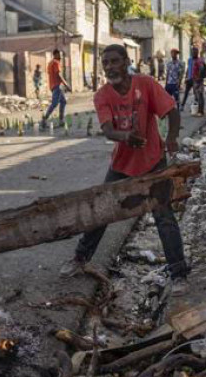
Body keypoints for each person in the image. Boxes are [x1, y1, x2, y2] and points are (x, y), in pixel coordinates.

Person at [59, 44, 189, 292]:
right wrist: (126, 137)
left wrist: (171, 139)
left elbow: (172, 111)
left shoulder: (146, 84)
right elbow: (108, 131)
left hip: (153, 160)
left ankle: (179, 272)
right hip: (122, 164)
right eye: (105, 63)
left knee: (163, 216)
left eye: (115, 61)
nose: (109, 67)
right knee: (102, 211)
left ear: (127, 61)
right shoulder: (102, 95)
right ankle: (80, 259)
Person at [42, 49, 71, 126]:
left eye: (60, 54)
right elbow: (58, 75)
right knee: (55, 103)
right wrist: (66, 84)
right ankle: (44, 119)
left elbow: (51, 74)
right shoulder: (56, 63)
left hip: (53, 85)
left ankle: (61, 120)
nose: (60, 56)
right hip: (57, 86)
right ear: (55, 55)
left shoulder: (50, 63)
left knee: (63, 101)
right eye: (59, 54)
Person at [191, 48, 206, 117]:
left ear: (197, 53)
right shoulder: (194, 60)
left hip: (198, 81)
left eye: (194, 52)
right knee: (197, 96)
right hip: (195, 80)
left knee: (200, 96)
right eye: (192, 52)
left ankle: (201, 111)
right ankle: (198, 110)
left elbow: (202, 68)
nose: (192, 54)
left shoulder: (198, 60)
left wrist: (199, 78)